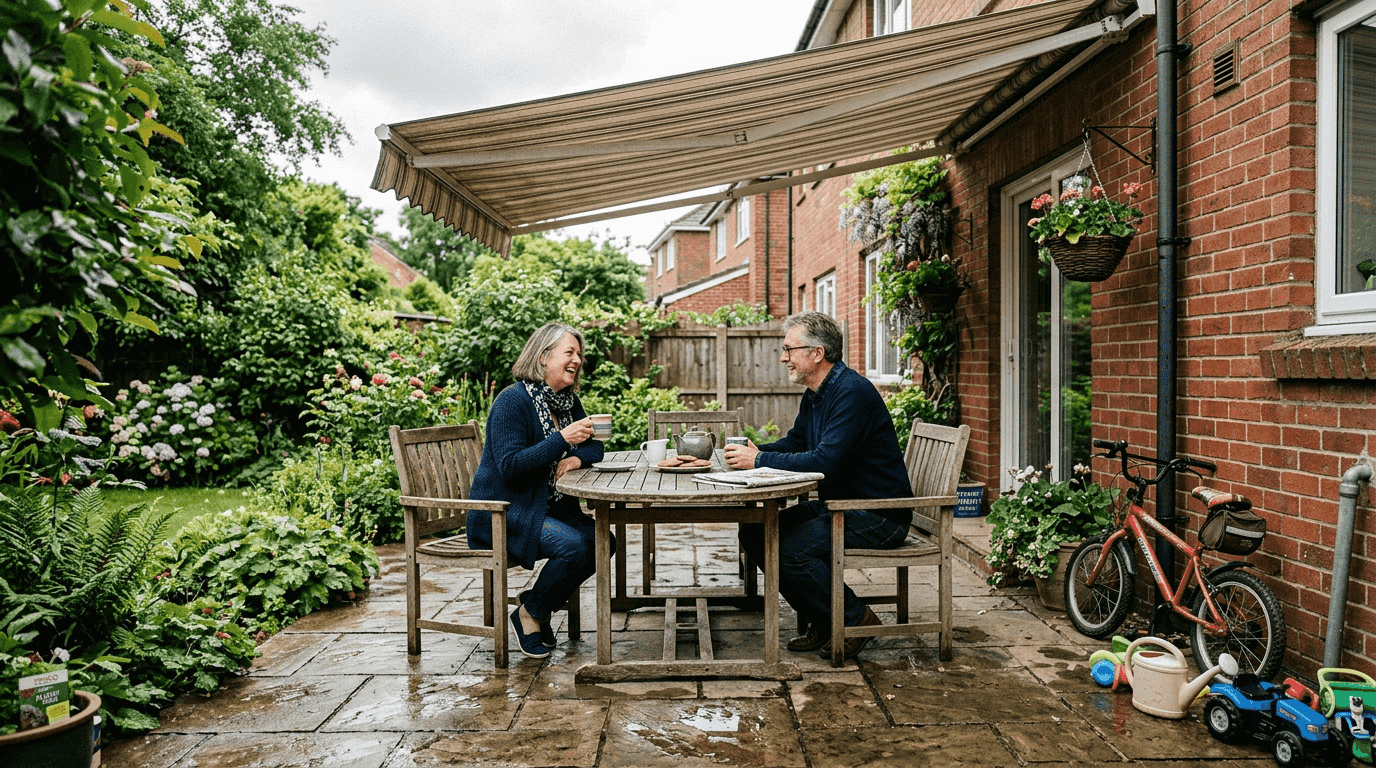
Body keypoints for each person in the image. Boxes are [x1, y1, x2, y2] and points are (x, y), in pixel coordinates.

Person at [724, 311, 912, 659]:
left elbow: (825, 461)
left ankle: (857, 619)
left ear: (816, 353)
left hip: (878, 515)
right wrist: (756, 451)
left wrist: (759, 462)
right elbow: (797, 442)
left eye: (789, 349)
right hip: (842, 505)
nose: (783, 357)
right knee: (755, 533)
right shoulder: (816, 393)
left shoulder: (851, 393)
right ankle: (824, 618)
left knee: (791, 548)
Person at [467, 321, 611, 659]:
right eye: (569, 352)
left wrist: (575, 458)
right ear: (544, 357)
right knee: (574, 546)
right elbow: (511, 467)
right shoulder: (511, 402)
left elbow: (596, 449)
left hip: (542, 509)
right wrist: (561, 440)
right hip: (502, 512)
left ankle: (534, 606)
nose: (577, 359)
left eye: (580, 354)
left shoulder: (565, 402)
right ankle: (530, 615)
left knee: (604, 541)